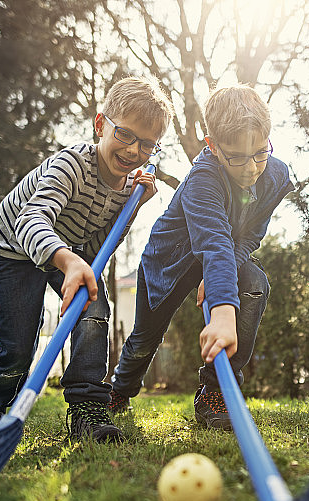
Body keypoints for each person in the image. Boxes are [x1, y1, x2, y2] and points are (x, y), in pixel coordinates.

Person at [0, 76, 173, 442]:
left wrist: (133, 208)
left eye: (147, 144)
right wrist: (69, 261)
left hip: (69, 252)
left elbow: (99, 246)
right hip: (15, 248)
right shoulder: (72, 164)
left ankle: (87, 409)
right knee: (18, 344)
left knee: (93, 312)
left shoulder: (128, 189)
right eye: (125, 135)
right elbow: (32, 218)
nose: (134, 150)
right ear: (100, 124)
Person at [108, 84, 295, 430]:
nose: (251, 168)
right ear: (212, 146)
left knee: (255, 284)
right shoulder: (202, 181)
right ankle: (120, 390)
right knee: (145, 338)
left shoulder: (276, 175)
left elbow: (250, 234)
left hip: (225, 255)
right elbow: (213, 242)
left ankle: (215, 390)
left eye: (259, 153)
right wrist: (223, 310)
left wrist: (222, 276)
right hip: (170, 261)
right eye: (236, 157)